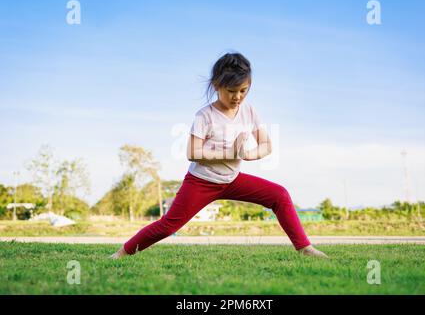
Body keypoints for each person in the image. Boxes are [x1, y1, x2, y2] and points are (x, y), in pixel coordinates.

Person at [110, 52, 328, 259]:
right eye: (231, 91)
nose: (238, 97)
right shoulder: (205, 115)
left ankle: (305, 248)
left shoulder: (249, 111)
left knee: (279, 195)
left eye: (243, 90)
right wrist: (229, 152)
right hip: (201, 182)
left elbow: (266, 145)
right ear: (216, 86)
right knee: (169, 225)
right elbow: (192, 152)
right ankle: (122, 253)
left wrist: (250, 154)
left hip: (232, 180)